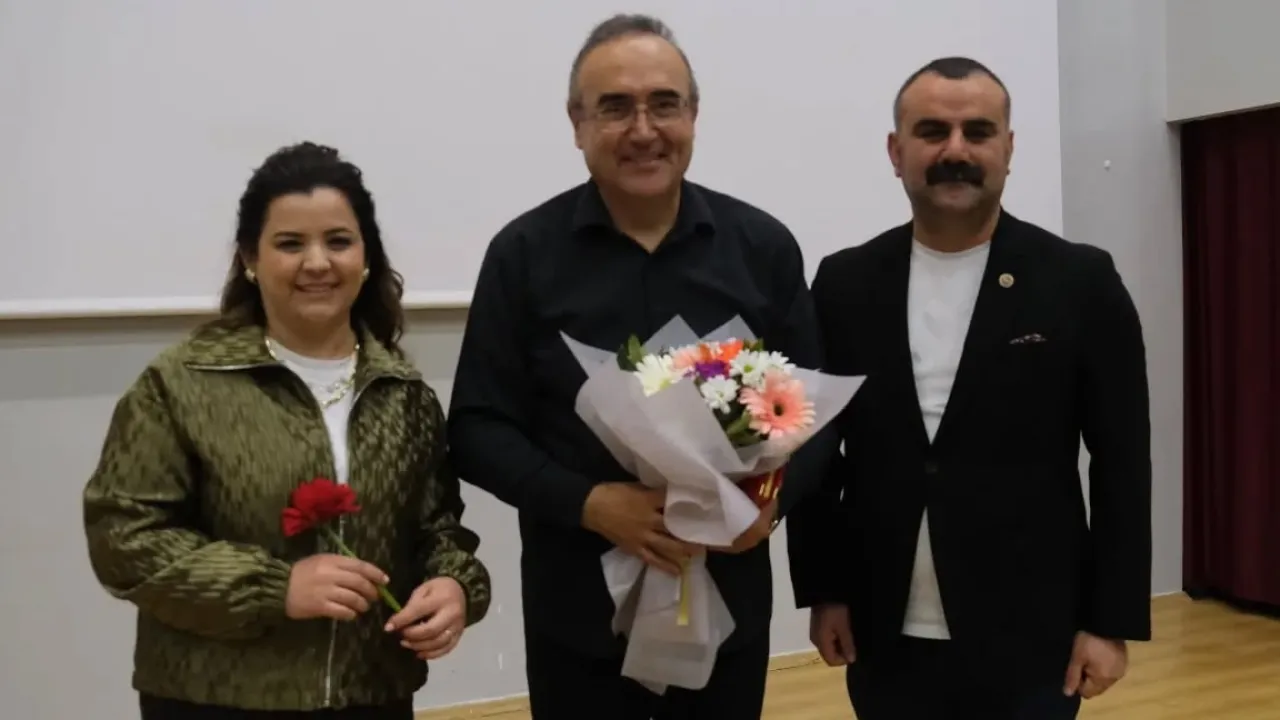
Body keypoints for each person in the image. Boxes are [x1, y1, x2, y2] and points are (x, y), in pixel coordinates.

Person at [447, 13, 823, 720]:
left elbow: (815, 420)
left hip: (728, 609)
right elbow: (476, 428)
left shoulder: (762, 248)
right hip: (578, 614)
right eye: (615, 107)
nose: (643, 129)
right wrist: (590, 503)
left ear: (693, 116)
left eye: (663, 104)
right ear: (577, 123)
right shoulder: (522, 256)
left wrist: (771, 503)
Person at [787, 57, 1153, 719]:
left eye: (977, 132)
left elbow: (1123, 462)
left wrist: (1110, 621)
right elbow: (815, 447)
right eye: (932, 131)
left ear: (1008, 149)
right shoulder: (844, 284)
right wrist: (824, 588)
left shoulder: (1080, 282)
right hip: (882, 625)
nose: (955, 150)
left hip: (1033, 630)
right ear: (896, 151)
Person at [82, 142, 492, 719]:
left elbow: (437, 529)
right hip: (212, 699)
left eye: (338, 241)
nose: (317, 262)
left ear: (366, 257)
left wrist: (455, 586)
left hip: (370, 694)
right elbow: (123, 539)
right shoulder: (180, 384)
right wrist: (277, 588)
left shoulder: (403, 394)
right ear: (250, 258)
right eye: (290, 243)